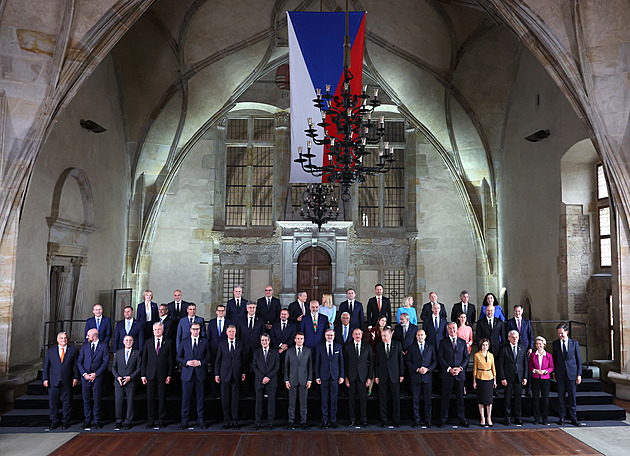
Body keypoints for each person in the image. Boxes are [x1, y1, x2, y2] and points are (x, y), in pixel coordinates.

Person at [43, 332, 79, 430]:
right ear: (57, 340)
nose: (64, 340)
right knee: (53, 403)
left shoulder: (73, 350)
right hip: (53, 381)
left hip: (67, 381)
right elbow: (45, 366)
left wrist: (76, 378)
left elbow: (76, 366)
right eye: (62, 338)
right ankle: (54, 421)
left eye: (65, 338)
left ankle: (65, 421)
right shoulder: (50, 351)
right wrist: (45, 378)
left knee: (67, 402)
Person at [141, 322, 174, 429]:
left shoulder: (168, 342)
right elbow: (144, 360)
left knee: (162, 398)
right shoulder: (148, 342)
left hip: (163, 375)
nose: (157, 331)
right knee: (150, 398)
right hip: (150, 374)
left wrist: (169, 374)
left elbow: (171, 361)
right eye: (155, 330)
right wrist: (143, 375)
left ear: (163, 330)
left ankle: (161, 420)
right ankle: (151, 420)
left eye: (159, 329)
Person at [177, 321, 210, 429]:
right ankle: (184, 421)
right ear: (190, 330)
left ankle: (200, 420)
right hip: (187, 374)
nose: (195, 331)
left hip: (200, 373)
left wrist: (200, 362)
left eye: (197, 329)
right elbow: (178, 357)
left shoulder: (204, 341)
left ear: (200, 330)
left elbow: (209, 357)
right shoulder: (184, 341)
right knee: (185, 398)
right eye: (194, 329)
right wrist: (186, 362)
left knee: (200, 398)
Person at [438, 322, 469, 427]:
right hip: (447, 374)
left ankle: (462, 419)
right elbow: (441, 358)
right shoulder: (443, 342)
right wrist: (449, 369)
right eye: (450, 329)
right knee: (445, 398)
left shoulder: (463, 342)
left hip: (460, 374)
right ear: (447, 330)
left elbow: (466, 358)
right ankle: (443, 419)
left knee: (460, 398)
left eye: (454, 328)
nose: (452, 330)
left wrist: (460, 368)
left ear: (457, 329)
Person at [215, 325, 246, 429]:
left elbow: (244, 359)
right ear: (226, 332)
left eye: (233, 331)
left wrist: (243, 372)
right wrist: (217, 374)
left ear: (235, 332)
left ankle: (235, 421)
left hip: (236, 375)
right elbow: (218, 360)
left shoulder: (240, 344)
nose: (231, 333)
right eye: (230, 331)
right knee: (225, 399)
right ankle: (226, 420)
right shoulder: (222, 344)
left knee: (235, 399)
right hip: (224, 375)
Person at [77, 328, 109, 429]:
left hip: (97, 378)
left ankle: (96, 420)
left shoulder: (103, 346)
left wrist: (96, 374)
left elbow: (105, 362)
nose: (87, 337)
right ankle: (87, 420)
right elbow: (79, 361)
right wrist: (84, 374)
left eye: (88, 335)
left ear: (94, 337)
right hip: (85, 378)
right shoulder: (85, 346)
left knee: (97, 400)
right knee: (86, 400)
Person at [552, 323, 582, 426]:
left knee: (572, 398)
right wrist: (554, 372)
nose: (560, 335)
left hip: (572, 374)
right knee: (561, 397)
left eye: (561, 333)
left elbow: (579, 360)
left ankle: (573, 418)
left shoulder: (574, 343)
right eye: (558, 333)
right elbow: (554, 360)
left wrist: (579, 374)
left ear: (567, 332)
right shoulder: (555, 344)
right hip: (560, 374)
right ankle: (562, 418)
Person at [374, 327, 404, 427]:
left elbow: (401, 361)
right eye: (382, 335)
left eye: (385, 335)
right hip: (382, 376)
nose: (383, 338)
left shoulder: (397, 345)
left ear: (390, 335)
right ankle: (384, 420)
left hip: (395, 376)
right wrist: (377, 376)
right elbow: (376, 362)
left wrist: (401, 374)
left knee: (396, 399)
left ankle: (396, 420)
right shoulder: (378, 346)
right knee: (382, 399)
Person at [406, 329, 437, 427]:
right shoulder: (411, 347)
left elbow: (435, 361)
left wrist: (428, 369)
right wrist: (417, 369)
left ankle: (428, 420)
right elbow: (408, 362)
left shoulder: (431, 347)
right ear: (416, 336)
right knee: (416, 400)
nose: (420, 337)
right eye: (418, 335)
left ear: (425, 336)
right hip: (416, 377)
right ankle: (416, 420)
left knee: (428, 400)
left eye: (422, 335)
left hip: (427, 377)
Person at [315, 328, 344, 428]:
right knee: (324, 400)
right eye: (328, 335)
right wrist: (317, 376)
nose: (329, 337)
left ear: (334, 336)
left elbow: (341, 363)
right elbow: (317, 363)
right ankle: (324, 420)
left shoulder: (338, 346)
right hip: (323, 376)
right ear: (325, 336)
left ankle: (333, 420)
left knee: (334, 399)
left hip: (335, 377)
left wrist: (342, 376)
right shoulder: (320, 347)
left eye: (331, 335)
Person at [497, 330, 528, 425]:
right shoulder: (504, 348)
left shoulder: (522, 348)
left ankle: (518, 417)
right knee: (507, 399)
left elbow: (525, 364)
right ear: (508, 338)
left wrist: (525, 377)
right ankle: (508, 418)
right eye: (513, 337)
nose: (515, 339)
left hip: (519, 377)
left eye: (516, 337)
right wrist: (502, 378)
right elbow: (500, 365)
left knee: (518, 399)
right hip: (508, 378)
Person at [344, 327, 373, 427]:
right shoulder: (347, 347)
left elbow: (371, 363)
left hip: (363, 377)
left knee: (363, 399)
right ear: (352, 335)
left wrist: (369, 378)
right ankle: (352, 419)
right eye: (355, 334)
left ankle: (363, 419)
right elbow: (345, 363)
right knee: (351, 399)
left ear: (361, 335)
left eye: (359, 334)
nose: (357, 336)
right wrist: (346, 377)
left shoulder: (367, 346)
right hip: (351, 378)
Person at [112, 335, 142, 430]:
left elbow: (139, 368)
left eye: (130, 340)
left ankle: (128, 421)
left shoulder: (137, 353)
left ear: (133, 342)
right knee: (118, 402)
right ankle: (118, 421)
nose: (128, 342)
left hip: (131, 382)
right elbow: (113, 367)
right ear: (123, 342)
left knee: (130, 402)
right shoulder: (118, 352)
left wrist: (130, 377)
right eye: (126, 340)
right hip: (119, 382)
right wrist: (117, 377)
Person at [252, 334, 280, 429]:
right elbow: (254, 366)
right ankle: (257, 422)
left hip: (271, 380)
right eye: (262, 340)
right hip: (259, 381)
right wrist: (262, 377)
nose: (264, 342)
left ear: (269, 341)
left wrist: (268, 377)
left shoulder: (275, 352)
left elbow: (277, 367)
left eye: (266, 340)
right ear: (260, 341)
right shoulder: (257, 352)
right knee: (258, 402)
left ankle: (270, 422)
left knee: (271, 403)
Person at [284, 332, 312, 429]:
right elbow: (286, 367)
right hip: (292, 380)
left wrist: (310, 380)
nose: (299, 340)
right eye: (298, 338)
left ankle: (303, 421)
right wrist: (286, 380)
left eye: (301, 338)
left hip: (304, 380)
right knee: (291, 403)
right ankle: (291, 421)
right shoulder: (289, 351)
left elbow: (310, 367)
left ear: (304, 340)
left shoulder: (308, 351)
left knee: (303, 403)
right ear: (295, 340)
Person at [506, 304, 534, 395]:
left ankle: (528, 388)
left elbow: (530, 336)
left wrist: (530, 347)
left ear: (522, 311)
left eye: (519, 311)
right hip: (515, 348)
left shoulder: (527, 322)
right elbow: (507, 336)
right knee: (516, 368)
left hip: (525, 348)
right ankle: (516, 388)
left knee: (527, 367)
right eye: (516, 311)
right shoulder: (510, 322)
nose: (517, 313)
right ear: (514, 311)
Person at [529, 336, 554, 425]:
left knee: (545, 399)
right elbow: (530, 366)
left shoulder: (548, 355)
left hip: (545, 379)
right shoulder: (532, 355)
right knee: (535, 399)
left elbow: (551, 367)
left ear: (544, 344)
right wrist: (535, 370)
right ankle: (536, 418)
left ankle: (545, 419)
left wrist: (545, 371)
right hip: (535, 378)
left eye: (540, 344)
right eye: (537, 344)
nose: (538, 345)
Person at [472, 338, 496, 427]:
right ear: (480, 346)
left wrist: (495, 381)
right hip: (480, 377)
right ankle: (482, 418)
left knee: (489, 400)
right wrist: (474, 381)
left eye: (486, 345)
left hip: (489, 377)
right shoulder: (476, 355)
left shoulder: (491, 355)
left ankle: (489, 417)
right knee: (481, 399)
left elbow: (493, 368)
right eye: (483, 345)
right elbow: (474, 369)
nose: (485, 346)